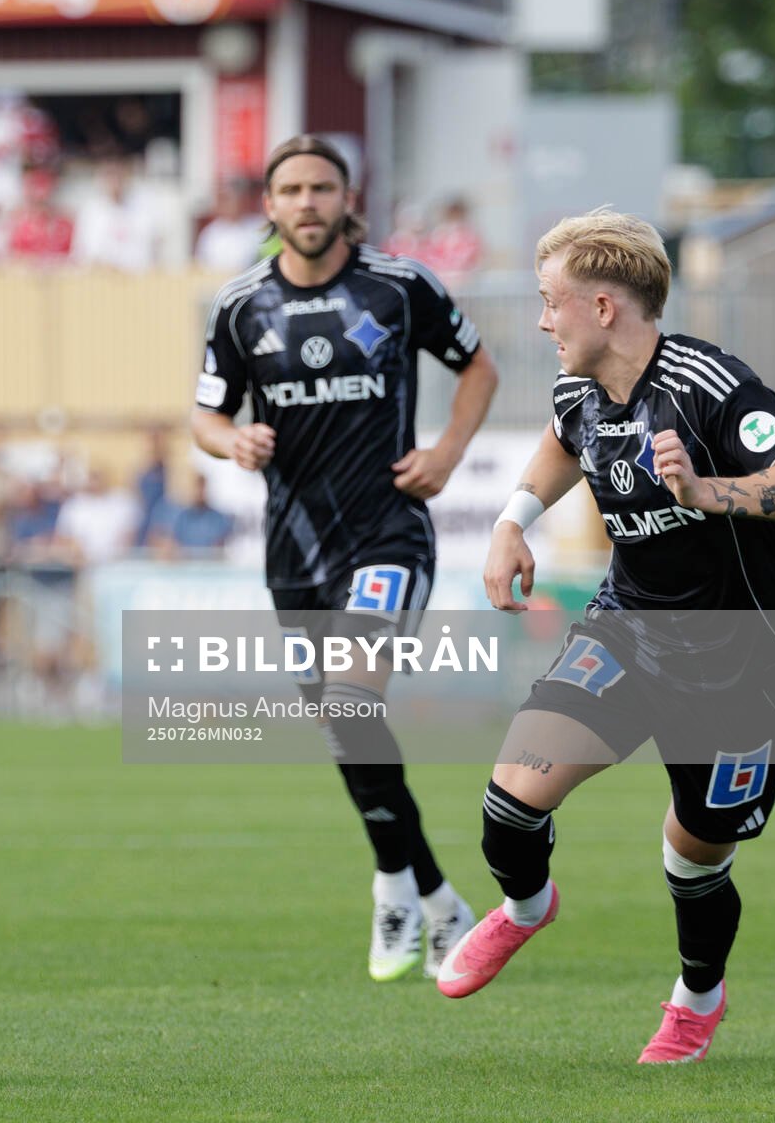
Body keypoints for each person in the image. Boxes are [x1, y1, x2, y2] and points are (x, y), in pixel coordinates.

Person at [443, 209, 775, 1064]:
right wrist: (513, 519)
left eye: (550, 302)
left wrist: (707, 493)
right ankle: (523, 908)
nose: (542, 321)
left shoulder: (708, 382)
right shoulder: (575, 386)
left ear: (600, 307)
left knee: (694, 858)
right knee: (510, 798)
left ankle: (697, 996)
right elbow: (563, 442)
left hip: (738, 662)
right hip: (627, 629)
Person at [191, 134, 499, 982]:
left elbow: (478, 368)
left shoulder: (398, 287)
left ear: (344, 197)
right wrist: (232, 441)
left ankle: (395, 888)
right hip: (292, 553)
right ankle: (426, 892)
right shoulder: (240, 306)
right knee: (339, 726)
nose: (306, 202)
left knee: (351, 703)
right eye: (289, 189)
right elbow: (204, 415)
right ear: (269, 204)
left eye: (320, 187)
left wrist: (444, 453)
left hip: (386, 534)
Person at [69, 160, 161, 273]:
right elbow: (84, 252)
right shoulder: (92, 210)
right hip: (102, 278)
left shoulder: (143, 207)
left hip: (135, 277)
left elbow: (148, 250)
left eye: (118, 176)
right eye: (110, 176)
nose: (114, 182)